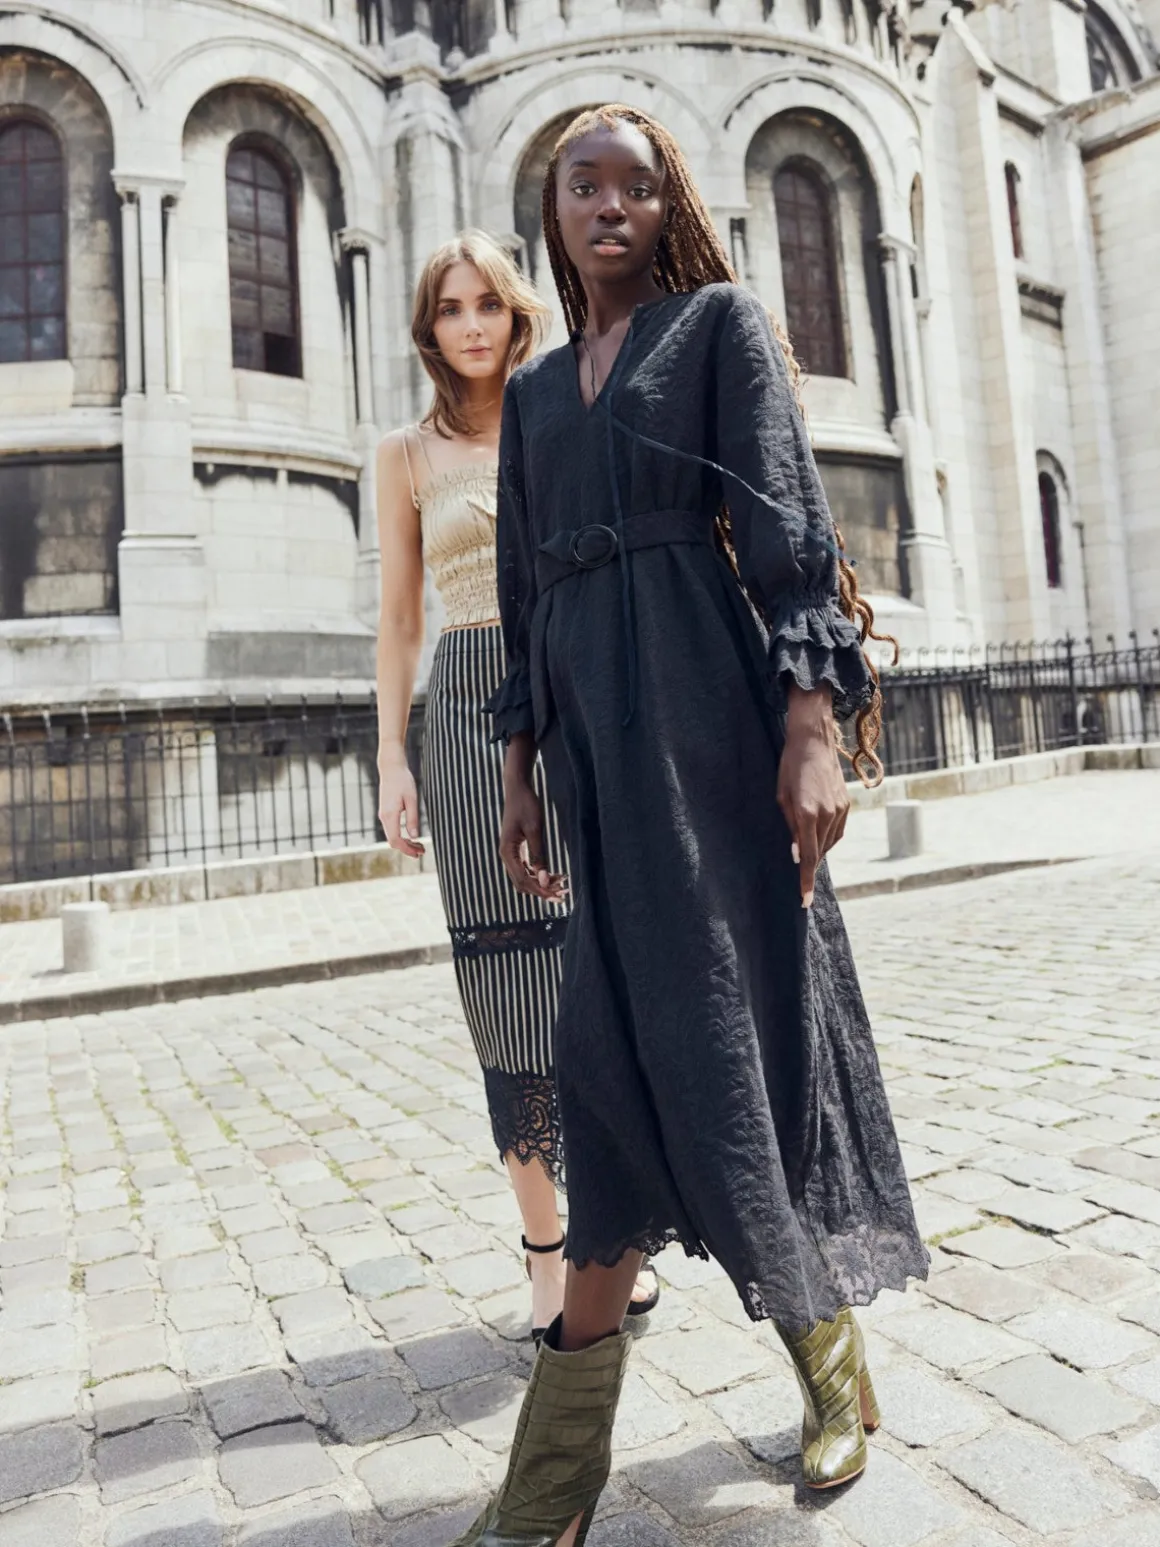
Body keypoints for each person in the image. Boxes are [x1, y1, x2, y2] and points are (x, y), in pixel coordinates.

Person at [452, 109, 928, 1547]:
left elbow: (788, 528)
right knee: (604, 1057)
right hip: (592, 756)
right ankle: (562, 1475)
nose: (610, 205)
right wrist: (519, 759)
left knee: (740, 1039)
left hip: (708, 728)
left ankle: (817, 1367)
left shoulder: (717, 327)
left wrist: (809, 727)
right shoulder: (535, 394)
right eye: (582, 184)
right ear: (551, 210)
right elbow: (521, 592)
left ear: (668, 209)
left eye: (635, 185)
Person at [375, 231, 659, 1345]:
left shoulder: (561, 414)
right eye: (450, 308)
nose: (471, 325)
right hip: (462, 708)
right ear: (428, 329)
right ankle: (547, 1249)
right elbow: (400, 620)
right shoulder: (403, 454)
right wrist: (391, 756)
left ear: (516, 312)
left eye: (487, 303)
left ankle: (610, 1234)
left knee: (598, 965)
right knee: (503, 982)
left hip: (575, 692)